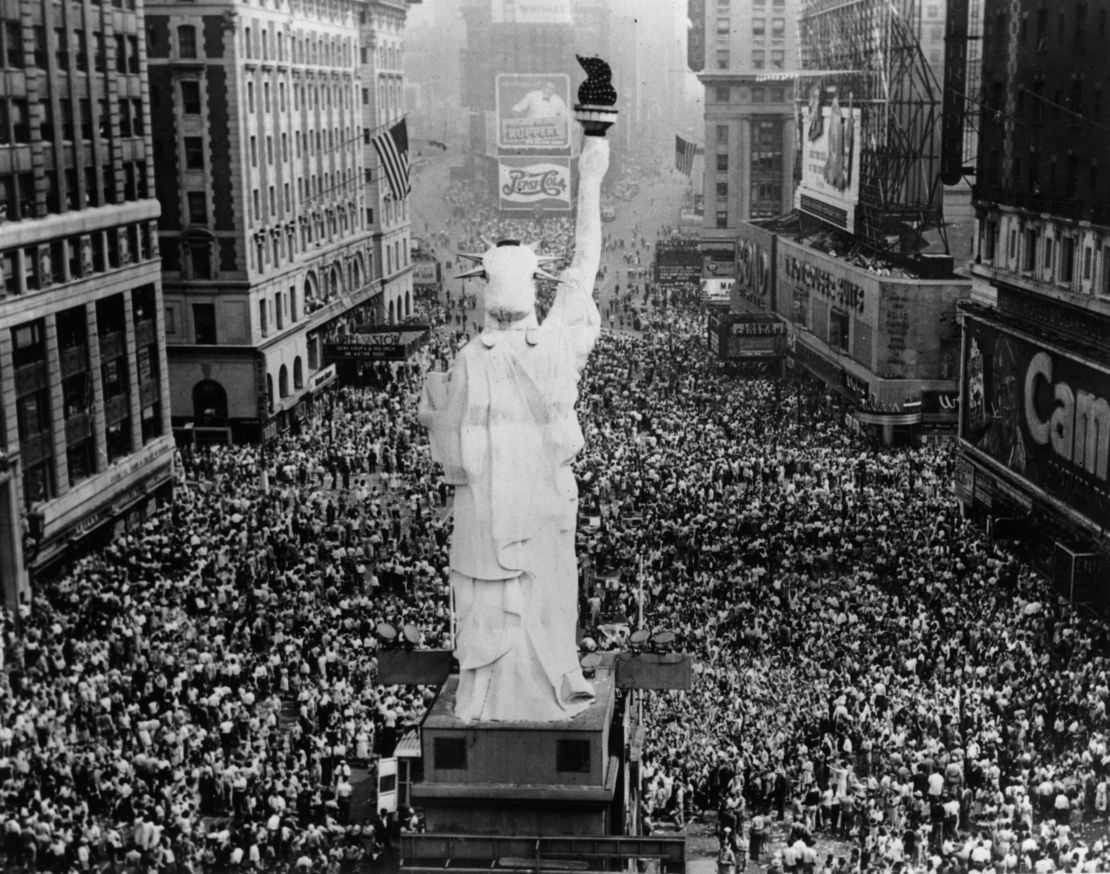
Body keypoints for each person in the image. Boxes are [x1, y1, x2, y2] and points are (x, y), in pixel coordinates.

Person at [419, 133, 610, 722]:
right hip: (543, 511)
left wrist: (435, 405)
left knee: (504, 603)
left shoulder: (471, 359)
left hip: (490, 522)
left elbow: (454, 458)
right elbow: (584, 269)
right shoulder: (549, 345)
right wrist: (591, 169)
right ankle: (540, 686)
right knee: (547, 601)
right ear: (532, 287)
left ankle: (493, 692)